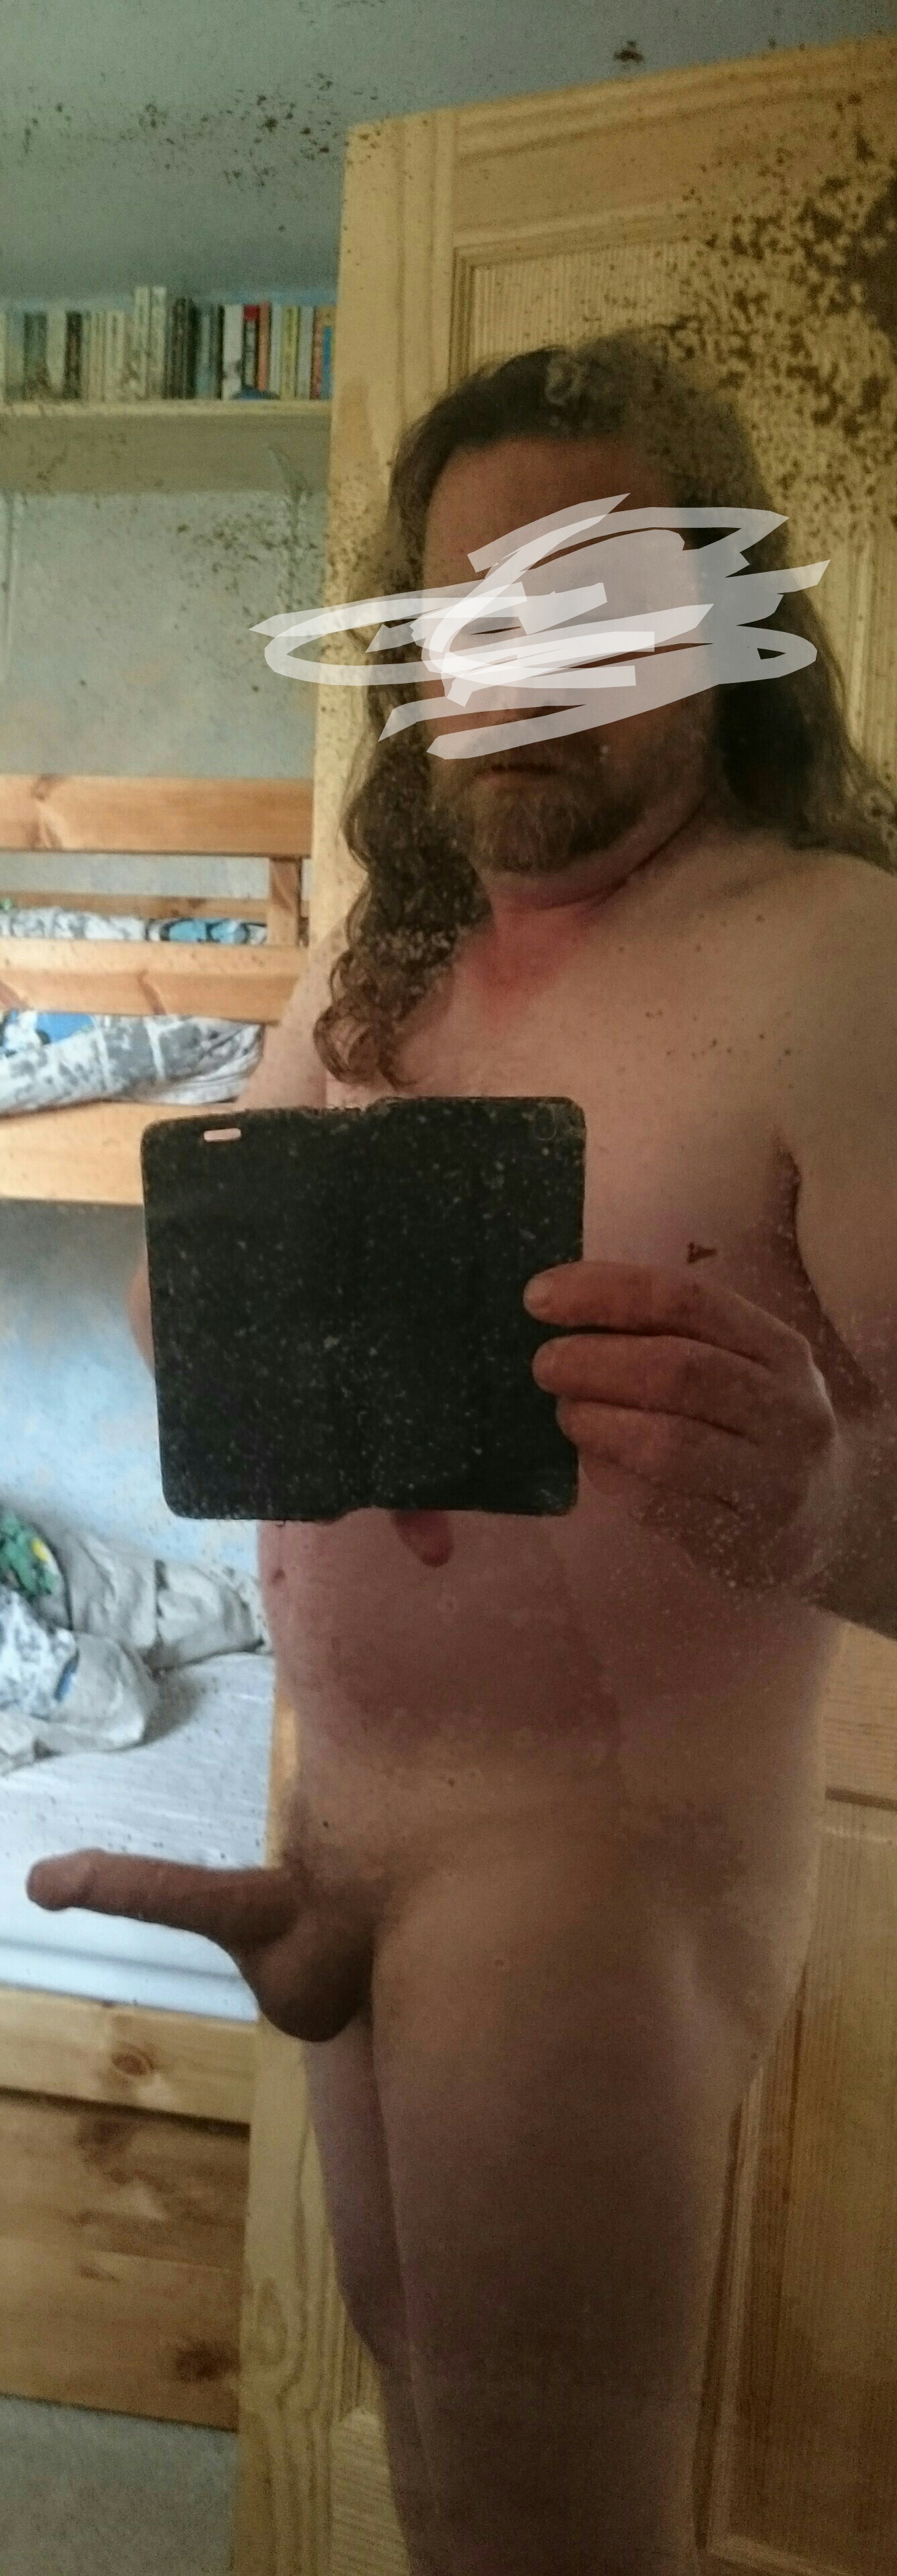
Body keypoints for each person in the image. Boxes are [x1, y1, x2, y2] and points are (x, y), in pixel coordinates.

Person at [29, 335, 897, 2576]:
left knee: (545, 2544)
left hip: (589, 1891)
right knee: (435, 2487)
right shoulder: (368, 969)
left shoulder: (837, 962)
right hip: (331, 1832)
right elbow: (197, 1332)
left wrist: (824, 1500)